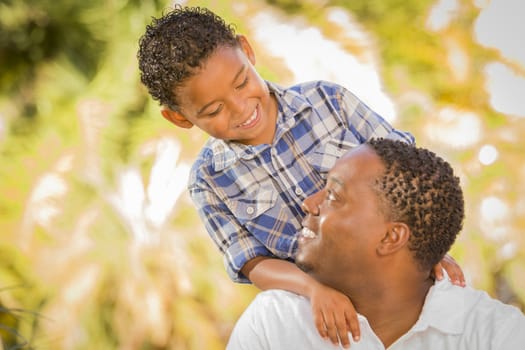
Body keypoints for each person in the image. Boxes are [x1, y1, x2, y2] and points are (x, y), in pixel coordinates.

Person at [137, 6, 465, 347]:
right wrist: (314, 290)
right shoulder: (209, 181)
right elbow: (253, 262)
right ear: (179, 118)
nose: (240, 108)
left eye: (242, 82)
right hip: (323, 321)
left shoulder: (329, 102)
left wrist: (426, 251)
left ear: (247, 52)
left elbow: (408, 177)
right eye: (214, 110)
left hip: (397, 290)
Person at [227, 138, 525, 349]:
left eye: (333, 196)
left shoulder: (497, 334)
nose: (309, 203)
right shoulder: (275, 322)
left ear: (390, 237)